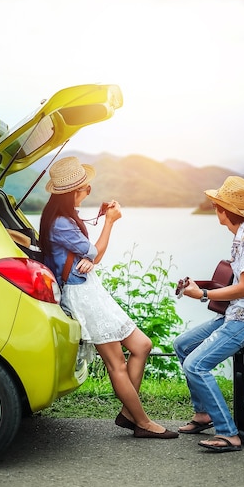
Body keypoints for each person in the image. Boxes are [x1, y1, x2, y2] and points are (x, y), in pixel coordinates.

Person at [39, 156, 178, 439]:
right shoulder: (61, 223)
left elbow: (89, 254)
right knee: (116, 363)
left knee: (142, 345)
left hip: (91, 290)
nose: (89, 192)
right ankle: (143, 422)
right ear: (70, 194)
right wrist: (110, 223)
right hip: (81, 295)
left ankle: (129, 414)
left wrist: (94, 238)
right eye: (85, 189)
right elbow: (95, 253)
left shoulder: (65, 217)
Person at [173, 176, 244, 453]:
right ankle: (204, 414)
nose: (214, 210)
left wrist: (204, 295)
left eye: (216, 205)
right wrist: (202, 288)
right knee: (183, 345)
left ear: (224, 210)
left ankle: (228, 433)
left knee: (195, 365)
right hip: (241, 312)